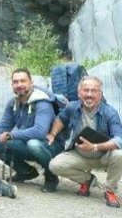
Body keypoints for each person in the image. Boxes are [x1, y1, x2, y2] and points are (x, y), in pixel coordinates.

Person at [49, 76, 122, 208]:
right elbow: (61, 119)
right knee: (54, 165)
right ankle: (87, 180)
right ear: (79, 93)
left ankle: (110, 190)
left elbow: (119, 139)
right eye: (86, 90)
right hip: (80, 154)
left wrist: (95, 146)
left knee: (120, 154)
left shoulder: (110, 113)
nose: (89, 94)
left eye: (94, 91)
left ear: (100, 94)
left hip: (104, 156)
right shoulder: (72, 107)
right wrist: (53, 134)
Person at [0, 68, 63, 193]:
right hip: (27, 142)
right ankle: (26, 172)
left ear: (31, 82)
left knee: (33, 144)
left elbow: (40, 132)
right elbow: (4, 125)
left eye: (23, 81)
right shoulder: (13, 103)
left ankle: (51, 177)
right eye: (15, 82)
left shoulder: (43, 102)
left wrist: (12, 134)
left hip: (50, 145)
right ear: (12, 85)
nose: (19, 85)